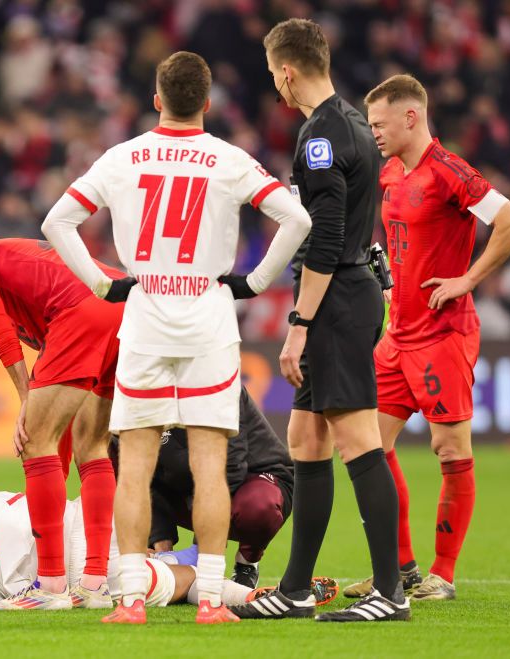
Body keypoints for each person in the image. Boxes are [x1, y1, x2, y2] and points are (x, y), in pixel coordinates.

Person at [41, 51, 312, 625]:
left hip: (145, 315)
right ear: (208, 104)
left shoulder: (123, 157)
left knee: (133, 465)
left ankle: (133, 598)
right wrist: (255, 283)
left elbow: (56, 222)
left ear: (157, 99)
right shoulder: (228, 158)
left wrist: (100, 283)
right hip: (208, 317)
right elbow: (298, 220)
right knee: (211, 466)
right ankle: (212, 600)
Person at [229, 19, 407, 622]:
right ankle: (298, 587)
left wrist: (301, 321)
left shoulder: (320, 135)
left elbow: (327, 235)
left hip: (336, 299)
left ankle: (391, 592)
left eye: (272, 75)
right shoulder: (353, 119)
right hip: (351, 289)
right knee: (306, 440)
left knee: (358, 438)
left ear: (286, 71)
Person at [340, 74, 510, 602]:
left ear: (410, 117)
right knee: (366, 446)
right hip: (396, 333)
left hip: (443, 334)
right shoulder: (390, 173)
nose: (374, 131)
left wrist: (467, 279)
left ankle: (442, 576)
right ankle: (399, 570)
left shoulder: (450, 171)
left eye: (380, 123)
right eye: (370, 123)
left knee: (450, 450)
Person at [0, 236, 123, 610]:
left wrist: (25, 398)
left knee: (33, 442)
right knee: (91, 446)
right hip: (123, 308)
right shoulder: (28, 281)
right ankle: (94, 584)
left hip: (81, 309)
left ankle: (52, 585)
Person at [0, 490, 338, 610]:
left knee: (179, 584)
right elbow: (17, 495)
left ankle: (249, 595)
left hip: (79, 578)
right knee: (145, 532)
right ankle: (183, 555)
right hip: (86, 520)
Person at [111, 388, 294, 589]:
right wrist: (162, 547)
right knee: (121, 458)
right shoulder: (137, 387)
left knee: (258, 505)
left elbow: (230, 466)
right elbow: (141, 479)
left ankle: (247, 563)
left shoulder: (214, 378)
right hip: (187, 485)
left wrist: (203, 550)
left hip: (249, 479)